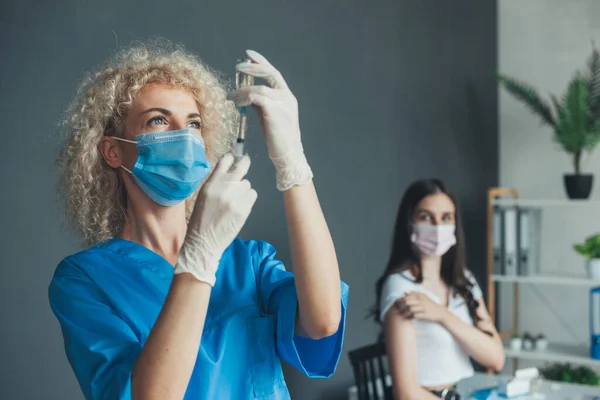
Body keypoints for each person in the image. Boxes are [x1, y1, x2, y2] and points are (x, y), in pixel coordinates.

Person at [48, 41, 348, 400]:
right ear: (113, 150)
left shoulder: (246, 263)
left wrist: (293, 164)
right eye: (158, 120)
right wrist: (198, 259)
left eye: (193, 123)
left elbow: (323, 321)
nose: (185, 137)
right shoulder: (85, 280)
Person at [374, 179, 504, 400]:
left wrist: (442, 315)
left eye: (446, 218)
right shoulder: (401, 287)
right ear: (409, 223)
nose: (437, 227)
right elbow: (406, 393)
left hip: (468, 393)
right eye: (426, 217)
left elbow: (496, 358)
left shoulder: (465, 281)